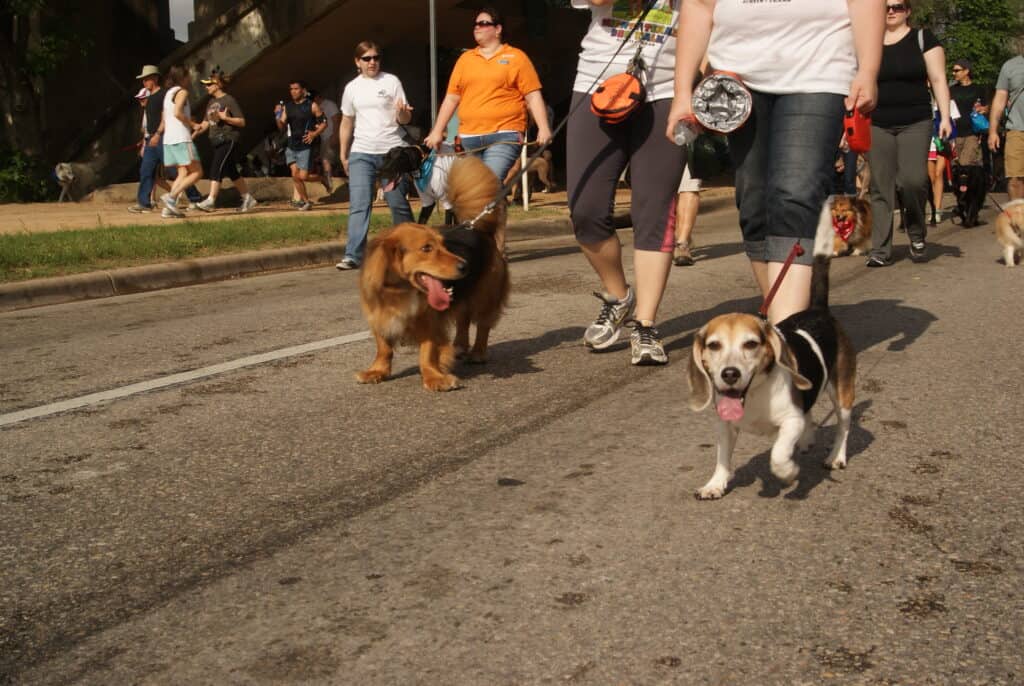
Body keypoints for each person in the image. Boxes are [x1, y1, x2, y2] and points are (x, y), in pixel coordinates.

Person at [668, 0, 882, 322]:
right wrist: (682, 92)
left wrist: (868, 69)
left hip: (819, 72)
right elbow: (698, 7)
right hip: (737, 81)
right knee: (753, 202)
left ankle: (787, 331)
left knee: (794, 194)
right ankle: (784, 308)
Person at [567, 0, 687, 366]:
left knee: (653, 211)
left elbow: (710, 15)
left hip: (668, 89)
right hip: (599, 83)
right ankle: (619, 296)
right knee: (584, 210)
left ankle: (646, 324)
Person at [861, 1, 950, 266]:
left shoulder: (923, 39)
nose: (891, 10)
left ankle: (916, 232)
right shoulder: (868, 42)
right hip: (877, 121)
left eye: (897, 6)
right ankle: (880, 249)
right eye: (886, 6)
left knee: (912, 181)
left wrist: (945, 117)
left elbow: (938, 79)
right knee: (880, 185)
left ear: (908, 11)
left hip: (916, 120)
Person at [423, 7, 552, 183]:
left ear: (498, 29)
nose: (477, 27)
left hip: (505, 135)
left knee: (487, 184)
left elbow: (533, 95)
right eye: (475, 24)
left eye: (483, 23)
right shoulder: (465, 59)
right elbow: (452, 98)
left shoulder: (516, 57)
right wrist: (437, 130)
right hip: (469, 137)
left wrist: (543, 127)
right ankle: (494, 209)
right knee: (474, 191)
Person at [336, 41, 415, 270]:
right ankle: (353, 255)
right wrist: (343, 153)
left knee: (398, 203)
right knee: (359, 205)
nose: (372, 62)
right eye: (367, 58)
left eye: (376, 58)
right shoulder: (352, 88)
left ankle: (410, 248)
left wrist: (402, 113)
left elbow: (405, 119)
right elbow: (346, 121)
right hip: (362, 152)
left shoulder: (391, 82)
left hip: (391, 152)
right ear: (357, 62)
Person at [128, 65, 198, 213]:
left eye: (146, 79)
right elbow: (149, 121)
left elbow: (166, 116)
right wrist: (146, 139)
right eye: (143, 80)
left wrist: (158, 134)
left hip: (163, 137)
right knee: (146, 170)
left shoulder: (164, 95)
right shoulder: (149, 97)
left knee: (176, 170)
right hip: (151, 140)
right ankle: (144, 203)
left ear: (155, 78)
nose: (144, 83)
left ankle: (195, 198)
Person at [192, 70, 257, 213]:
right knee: (231, 170)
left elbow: (242, 122)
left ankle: (211, 200)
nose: (206, 87)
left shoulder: (229, 100)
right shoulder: (211, 102)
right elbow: (205, 123)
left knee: (216, 168)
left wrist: (226, 118)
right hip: (216, 141)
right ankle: (247, 198)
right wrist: (193, 133)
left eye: (209, 84)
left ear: (218, 85)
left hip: (228, 138)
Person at [159, 66, 204, 219]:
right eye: (188, 76)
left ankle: (168, 209)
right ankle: (171, 198)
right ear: (183, 78)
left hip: (169, 139)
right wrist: (193, 125)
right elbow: (177, 112)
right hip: (181, 138)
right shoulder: (182, 92)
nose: (190, 79)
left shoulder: (167, 94)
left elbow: (166, 118)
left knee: (183, 172)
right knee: (197, 172)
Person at [275, 80, 327, 211]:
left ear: (303, 90)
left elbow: (324, 123)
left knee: (303, 176)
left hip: (305, 145)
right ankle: (305, 202)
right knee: (295, 175)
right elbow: (281, 126)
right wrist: (277, 115)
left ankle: (322, 178)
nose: (293, 91)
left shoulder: (312, 105)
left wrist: (314, 134)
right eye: (291, 89)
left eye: (296, 89)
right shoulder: (288, 106)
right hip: (291, 145)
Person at [988, 52, 1024, 200]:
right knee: (1015, 179)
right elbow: (1000, 100)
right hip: (1017, 130)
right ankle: (1018, 221)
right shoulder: (1010, 66)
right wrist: (992, 131)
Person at [950, 59, 989, 170]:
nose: (953, 73)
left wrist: (983, 109)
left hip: (972, 133)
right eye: (953, 70)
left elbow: (986, 107)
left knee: (965, 163)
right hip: (955, 134)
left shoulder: (978, 89)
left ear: (966, 71)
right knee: (956, 167)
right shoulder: (951, 90)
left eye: (956, 70)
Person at [673, 161, 702, 267]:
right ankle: (679, 235)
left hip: (686, 145)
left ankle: (682, 243)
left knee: (689, 184)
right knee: (668, 187)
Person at [313, 91, 341, 192]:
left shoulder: (329, 105)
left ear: (317, 97)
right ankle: (329, 181)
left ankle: (329, 182)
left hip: (331, 136)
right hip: (324, 138)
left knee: (326, 159)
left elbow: (337, 120)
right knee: (325, 159)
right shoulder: (316, 107)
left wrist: (335, 135)